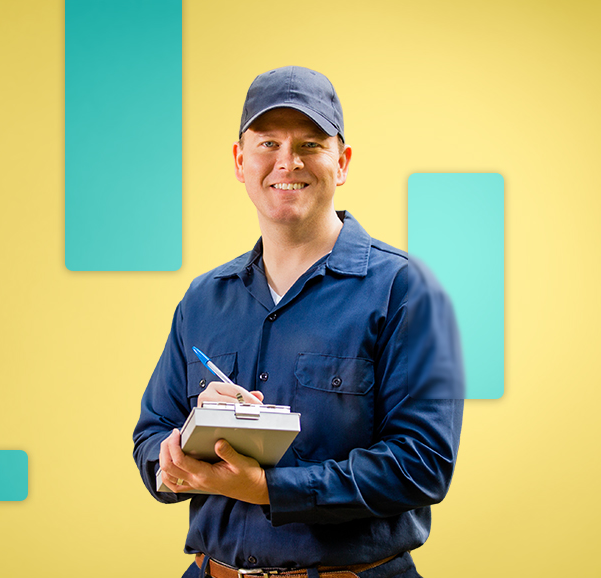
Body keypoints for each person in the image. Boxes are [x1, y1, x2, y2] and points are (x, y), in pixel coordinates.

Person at [133, 66, 464, 578]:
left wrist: (268, 489)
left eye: (310, 144)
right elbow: (151, 438)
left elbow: (422, 464)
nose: (287, 162)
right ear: (240, 161)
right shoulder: (203, 300)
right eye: (268, 143)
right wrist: (176, 456)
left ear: (343, 161)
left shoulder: (405, 289)